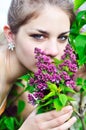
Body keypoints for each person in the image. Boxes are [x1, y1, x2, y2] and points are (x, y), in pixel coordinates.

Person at [0, 0, 77, 129]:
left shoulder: (19, 79)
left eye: (62, 37)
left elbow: (41, 119)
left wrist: (71, 83)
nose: (54, 51)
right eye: (39, 36)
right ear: (11, 35)